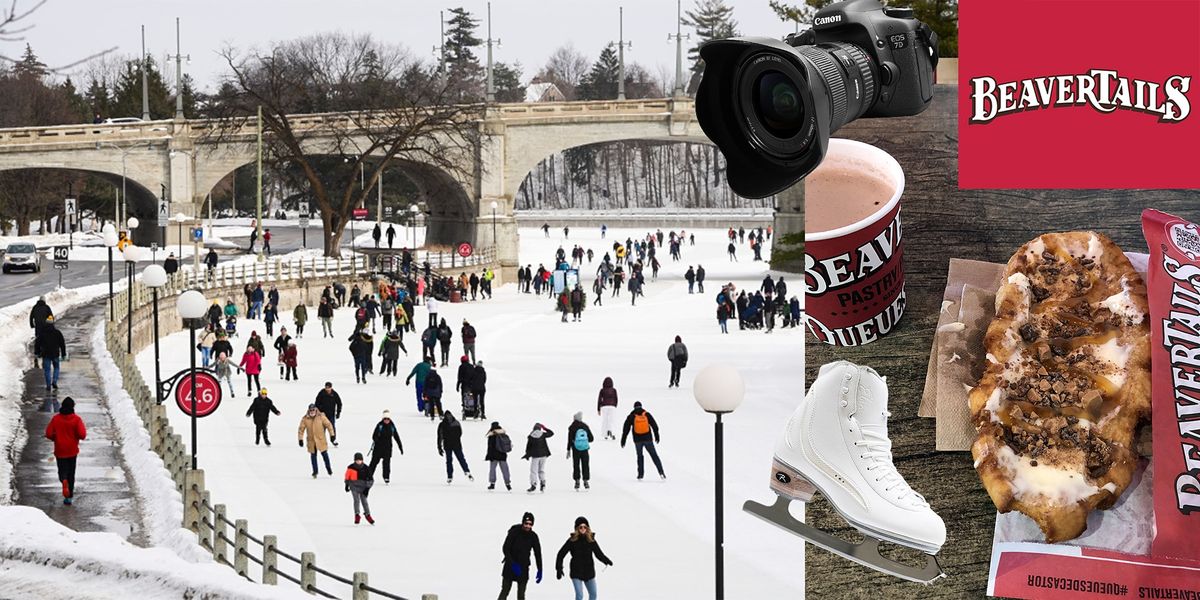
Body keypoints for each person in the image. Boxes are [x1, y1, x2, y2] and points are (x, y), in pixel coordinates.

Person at [555, 516, 613, 600]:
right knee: (579, 595)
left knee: (593, 594)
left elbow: (598, 553)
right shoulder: (572, 540)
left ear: (587, 528)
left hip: (588, 572)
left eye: (585, 527)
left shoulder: (591, 540)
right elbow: (561, 554)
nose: (583, 529)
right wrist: (559, 568)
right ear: (577, 528)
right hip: (576, 572)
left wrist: (606, 560)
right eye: (580, 527)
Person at [45, 396, 86, 505]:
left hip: (60, 450)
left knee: (62, 470)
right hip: (72, 450)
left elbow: (48, 433)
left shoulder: (56, 419)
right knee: (71, 473)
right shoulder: (76, 419)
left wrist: (55, 438)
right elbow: (82, 434)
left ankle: (63, 480)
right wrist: (75, 436)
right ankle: (69, 497)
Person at [499, 512, 543, 600]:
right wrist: (512, 564)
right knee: (505, 591)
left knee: (521, 595)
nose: (528, 526)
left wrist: (540, 569)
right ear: (523, 522)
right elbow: (505, 548)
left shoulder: (533, 536)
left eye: (530, 524)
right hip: (510, 566)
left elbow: (537, 553)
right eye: (526, 523)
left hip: (523, 567)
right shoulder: (514, 533)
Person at [621, 401, 665, 480]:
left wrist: (623, 439)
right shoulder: (647, 414)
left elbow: (626, 428)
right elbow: (654, 425)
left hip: (637, 440)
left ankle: (640, 475)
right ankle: (661, 472)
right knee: (654, 455)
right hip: (648, 439)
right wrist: (657, 435)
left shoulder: (632, 416)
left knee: (640, 456)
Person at [298, 404, 335, 478]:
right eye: (311, 410)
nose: (312, 412)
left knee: (325, 455)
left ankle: (329, 469)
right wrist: (300, 439)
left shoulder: (321, 417)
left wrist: (332, 435)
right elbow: (301, 429)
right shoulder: (305, 419)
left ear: (316, 410)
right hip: (311, 441)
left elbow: (329, 425)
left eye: (313, 410)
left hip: (321, 440)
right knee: (313, 456)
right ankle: (315, 471)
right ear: (308, 410)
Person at [437, 411, 473, 484]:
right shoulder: (456, 422)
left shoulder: (442, 424)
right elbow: (460, 433)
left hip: (447, 445)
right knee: (461, 458)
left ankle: (449, 476)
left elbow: (440, 436)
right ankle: (466, 471)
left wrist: (439, 447)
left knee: (449, 461)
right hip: (457, 444)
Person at [368, 410, 404, 484]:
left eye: (388, 419)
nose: (386, 420)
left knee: (386, 464)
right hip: (378, 448)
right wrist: (377, 440)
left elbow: (396, 437)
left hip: (387, 448)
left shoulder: (392, 426)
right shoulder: (379, 425)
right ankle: (368, 476)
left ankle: (386, 477)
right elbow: (374, 435)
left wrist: (400, 447)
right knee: (374, 463)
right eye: (385, 419)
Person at [36, 316, 67, 392]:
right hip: (55, 353)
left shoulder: (42, 333)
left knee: (47, 370)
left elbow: (37, 344)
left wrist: (37, 352)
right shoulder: (57, 332)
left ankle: (48, 385)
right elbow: (62, 344)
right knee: (56, 368)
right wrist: (63, 354)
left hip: (46, 354)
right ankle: (55, 381)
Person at [522, 423, 554, 493]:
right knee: (541, 470)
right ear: (540, 428)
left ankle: (533, 484)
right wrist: (545, 428)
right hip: (543, 455)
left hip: (535, 456)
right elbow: (551, 433)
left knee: (533, 470)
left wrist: (527, 455)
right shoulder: (543, 434)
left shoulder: (531, 436)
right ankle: (543, 483)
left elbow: (528, 447)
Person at [344, 452, 375, 525]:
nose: (358, 462)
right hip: (354, 486)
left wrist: (367, 488)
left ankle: (368, 515)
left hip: (363, 487)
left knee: (364, 501)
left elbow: (371, 480)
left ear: (362, 460)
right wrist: (347, 485)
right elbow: (347, 476)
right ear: (354, 460)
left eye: (360, 460)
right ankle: (357, 515)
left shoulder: (366, 468)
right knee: (356, 500)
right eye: (357, 460)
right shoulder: (350, 467)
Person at [566, 412, 594, 491]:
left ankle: (577, 481)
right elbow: (591, 439)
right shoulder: (585, 426)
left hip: (576, 449)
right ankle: (586, 481)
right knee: (585, 464)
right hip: (585, 449)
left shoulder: (572, 427)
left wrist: (568, 450)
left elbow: (569, 440)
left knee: (576, 464)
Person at [485, 421, 513, 491]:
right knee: (505, 470)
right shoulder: (503, 434)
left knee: (492, 470)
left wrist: (488, 456)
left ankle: (492, 484)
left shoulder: (492, 435)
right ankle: (508, 484)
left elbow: (490, 447)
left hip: (494, 456)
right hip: (503, 455)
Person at [315, 382, 343, 447]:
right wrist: (318, 411)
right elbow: (316, 403)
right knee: (322, 428)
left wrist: (338, 413)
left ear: (331, 387)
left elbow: (339, 403)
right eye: (326, 387)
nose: (327, 389)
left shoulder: (334, 394)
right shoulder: (321, 393)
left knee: (332, 427)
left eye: (328, 388)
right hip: (322, 415)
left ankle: (333, 439)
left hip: (331, 414)